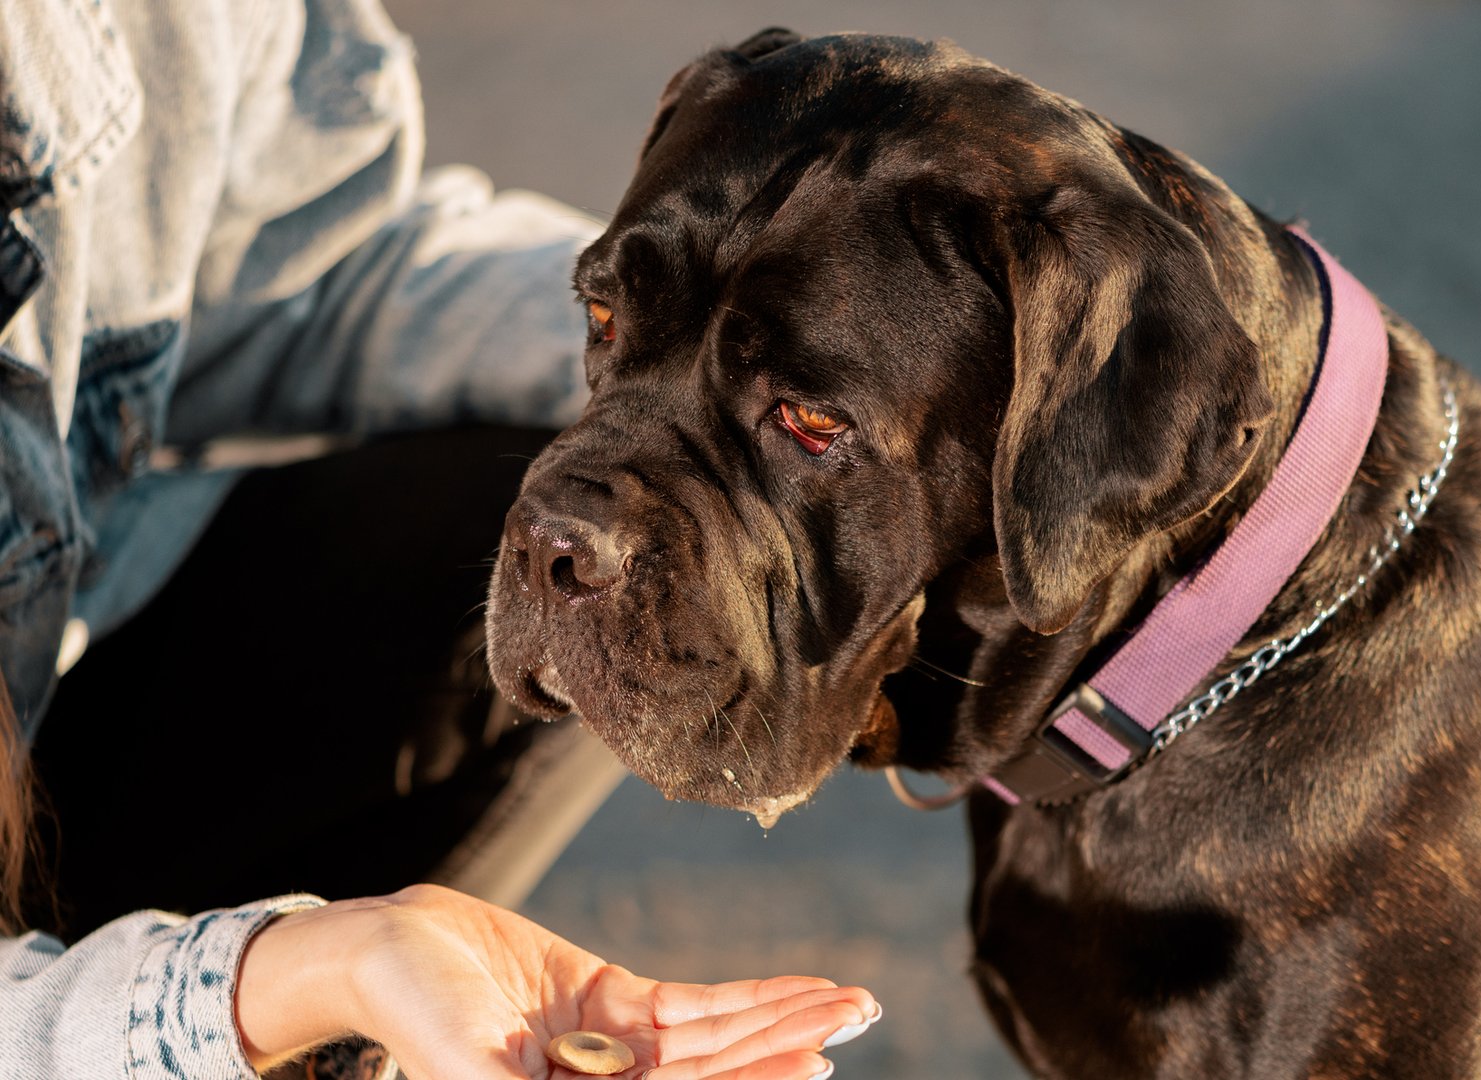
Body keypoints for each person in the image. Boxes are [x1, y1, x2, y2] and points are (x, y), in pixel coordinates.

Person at [0, 1, 874, 1077]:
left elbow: (318, 265)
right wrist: (282, 981)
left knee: (617, 540)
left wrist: (728, 370)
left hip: (71, 658)